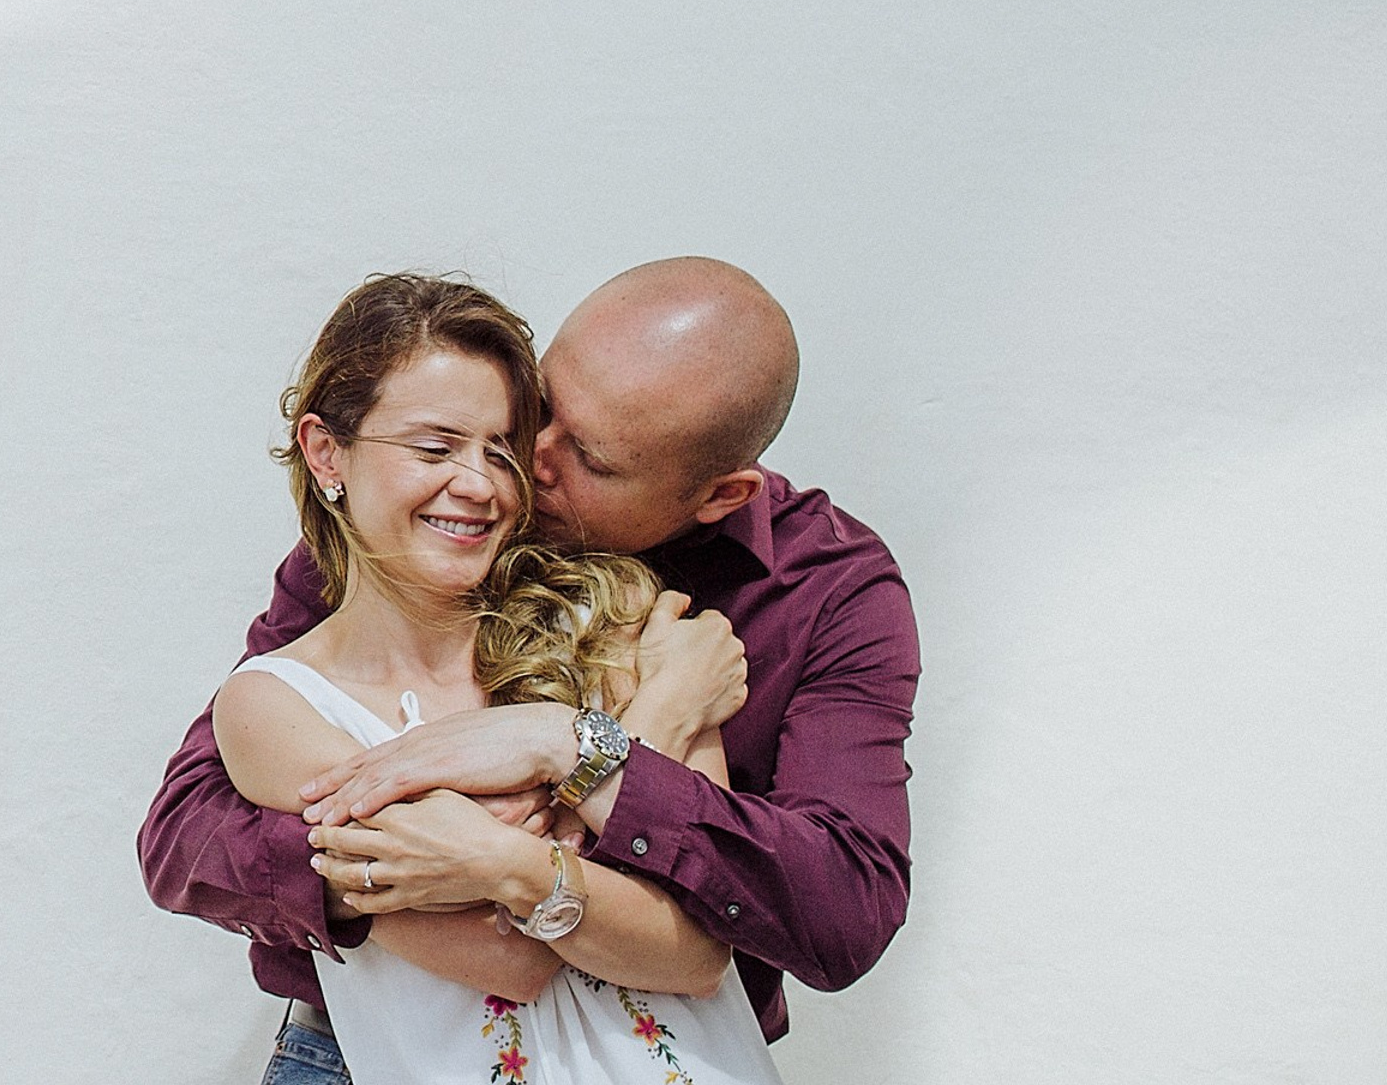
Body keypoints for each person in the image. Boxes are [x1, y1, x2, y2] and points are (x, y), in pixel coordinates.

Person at [141, 258, 920, 1079]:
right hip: (374, 1052)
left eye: (592, 458)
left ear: (721, 495)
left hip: (669, 1050)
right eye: (540, 409)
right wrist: (644, 729)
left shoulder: (815, 591)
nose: (521, 465)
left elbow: (833, 913)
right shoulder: (426, 528)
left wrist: (560, 755)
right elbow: (189, 828)